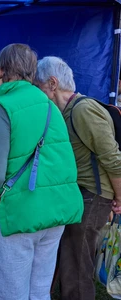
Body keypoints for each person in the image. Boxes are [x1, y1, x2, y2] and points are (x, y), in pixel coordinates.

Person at [0, 44, 83, 300]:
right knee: (39, 292)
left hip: (19, 216)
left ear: (0, 71)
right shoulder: (50, 105)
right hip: (56, 213)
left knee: (12, 294)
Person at [35, 56, 121, 300]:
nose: (38, 94)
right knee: (71, 259)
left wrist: (119, 198)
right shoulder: (68, 111)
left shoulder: (83, 109)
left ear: (52, 83)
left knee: (77, 265)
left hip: (93, 196)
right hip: (81, 195)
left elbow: (113, 159)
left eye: (39, 87)